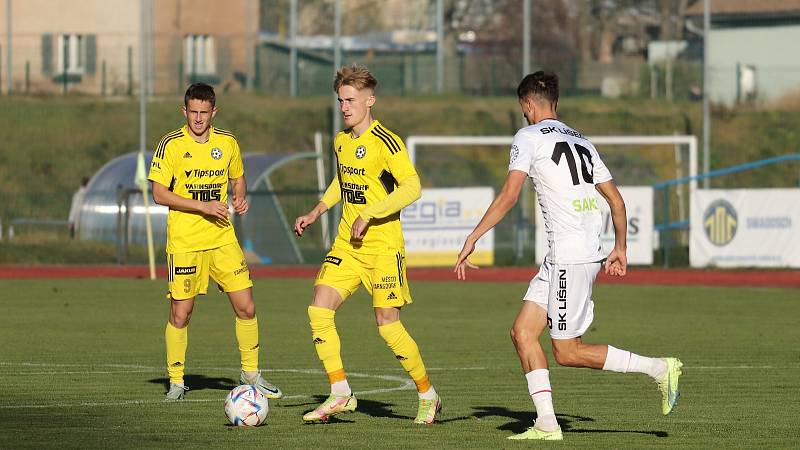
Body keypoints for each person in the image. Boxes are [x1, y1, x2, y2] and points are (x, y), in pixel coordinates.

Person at [454, 71, 682, 441]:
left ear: (528, 105)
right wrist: (620, 248)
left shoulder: (527, 137)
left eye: (523, 109)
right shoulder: (583, 140)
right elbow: (617, 201)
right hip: (570, 254)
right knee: (523, 332)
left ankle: (659, 368)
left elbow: (509, 196)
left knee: (567, 352)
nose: (525, 115)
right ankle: (546, 423)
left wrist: (473, 236)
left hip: (569, 257)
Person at [294, 64, 441, 424]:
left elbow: (412, 186)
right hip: (347, 245)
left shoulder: (387, 142)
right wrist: (317, 211)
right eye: (341, 100)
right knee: (318, 310)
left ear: (369, 100)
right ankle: (341, 391)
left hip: (383, 248)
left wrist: (370, 213)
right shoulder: (341, 141)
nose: (344, 107)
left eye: (351, 100)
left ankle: (427, 394)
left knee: (387, 325)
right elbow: (342, 181)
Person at [148, 83, 282, 401]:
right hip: (185, 242)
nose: (197, 119)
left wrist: (240, 196)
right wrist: (203, 206)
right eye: (192, 112)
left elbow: (237, 177)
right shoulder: (170, 145)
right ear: (184, 111)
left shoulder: (227, 142)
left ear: (214, 112)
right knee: (181, 314)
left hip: (222, 238)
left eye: (203, 113)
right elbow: (158, 193)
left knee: (246, 307)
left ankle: (251, 374)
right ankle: (177, 381)